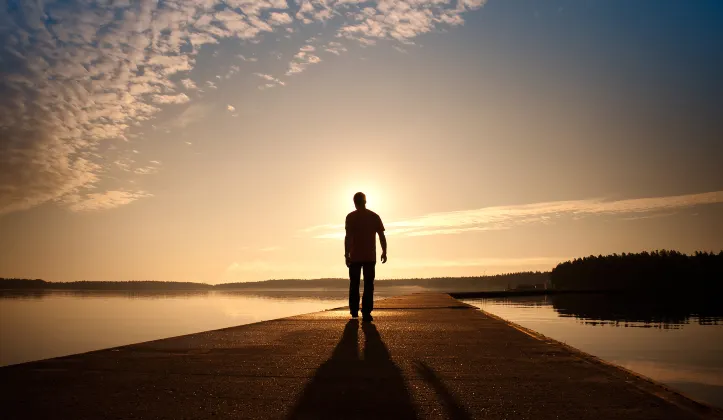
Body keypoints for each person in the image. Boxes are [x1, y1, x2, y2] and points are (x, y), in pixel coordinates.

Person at [344, 192, 387, 322]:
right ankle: (366, 312)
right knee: (368, 285)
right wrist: (384, 251)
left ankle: (354, 311)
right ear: (365, 201)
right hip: (369, 257)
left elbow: (348, 237)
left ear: (355, 202)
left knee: (354, 284)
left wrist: (347, 254)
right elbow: (381, 236)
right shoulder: (374, 217)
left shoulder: (350, 217)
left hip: (356, 257)